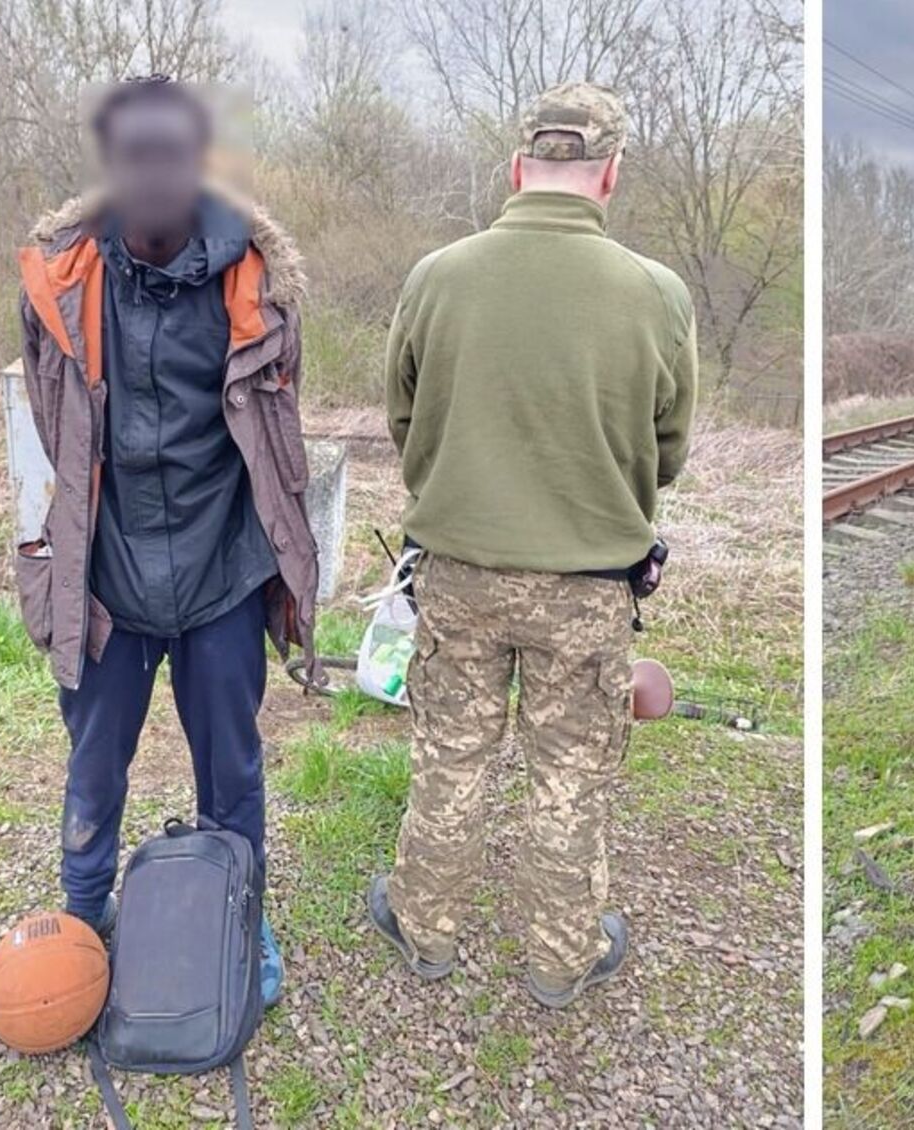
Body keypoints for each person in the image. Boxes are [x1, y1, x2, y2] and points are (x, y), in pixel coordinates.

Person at [368, 81, 697, 1008]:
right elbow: (669, 451)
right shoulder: (656, 295)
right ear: (611, 174)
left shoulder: (437, 277)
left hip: (459, 573)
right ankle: (561, 959)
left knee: (452, 754)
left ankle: (424, 929)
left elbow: (404, 420)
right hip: (586, 587)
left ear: (518, 167)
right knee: (569, 774)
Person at [12, 76, 317, 1006]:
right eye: (132, 155)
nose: (152, 175)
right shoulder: (60, 284)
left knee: (232, 766)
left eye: (171, 155)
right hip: (107, 575)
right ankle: (82, 920)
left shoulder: (260, 287)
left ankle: (239, 916)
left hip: (223, 567)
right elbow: (54, 420)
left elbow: (272, 436)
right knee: (93, 765)